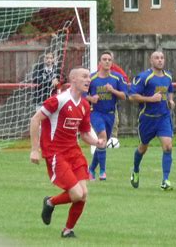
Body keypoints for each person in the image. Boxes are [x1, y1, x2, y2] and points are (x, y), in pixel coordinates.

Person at [30, 67, 106, 238]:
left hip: (74, 152)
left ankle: (68, 231)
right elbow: (35, 120)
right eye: (84, 77)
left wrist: (96, 142)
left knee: (84, 194)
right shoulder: (58, 100)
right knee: (76, 194)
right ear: (73, 80)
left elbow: (85, 133)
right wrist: (35, 150)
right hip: (56, 153)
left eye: (89, 77)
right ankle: (50, 202)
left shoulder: (85, 105)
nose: (88, 80)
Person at [129, 51, 175, 190]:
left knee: (168, 146)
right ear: (151, 60)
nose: (160, 60)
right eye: (157, 58)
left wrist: (171, 100)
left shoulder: (168, 76)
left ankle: (165, 180)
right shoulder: (144, 77)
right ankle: (135, 170)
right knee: (143, 148)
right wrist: (151, 99)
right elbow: (132, 96)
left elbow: (170, 90)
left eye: (162, 58)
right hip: (147, 119)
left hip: (163, 117)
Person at [87, 51, 127, 181]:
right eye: (104, 59)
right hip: (96, 113)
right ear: (100, 62)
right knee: (102, 137)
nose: (107, 61)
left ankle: (91, 169)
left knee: (102, 143)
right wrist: (91, 99)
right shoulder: (92, 78)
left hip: (110, 114)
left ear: (112, 62)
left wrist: (112, 90)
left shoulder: (117, 78)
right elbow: (82, 94)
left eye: (109, 59)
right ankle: (103, 172)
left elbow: (124, 96)